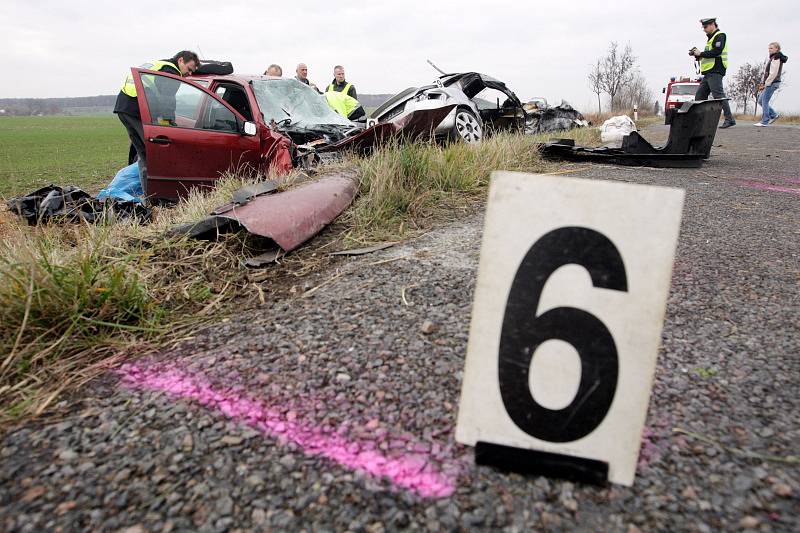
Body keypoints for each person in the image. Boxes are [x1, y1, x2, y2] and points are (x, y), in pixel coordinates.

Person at [113, 51, 199, 196]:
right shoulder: (171, 72)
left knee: (144, 154)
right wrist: (168, 124)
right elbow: (167, 101)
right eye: (189, 69)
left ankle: (149, 195)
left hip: (124, 107)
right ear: (181, 60)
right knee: (153, 155)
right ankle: (157, 195)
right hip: (136, 109)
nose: (188, 74)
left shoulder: (160, 65)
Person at [690, 17, 736, 128]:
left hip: (716, 70)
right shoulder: (711, 39)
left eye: (705, 27)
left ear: (712, 25)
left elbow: (716, 51)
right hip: (708, 72)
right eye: (703, 27)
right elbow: (709, 55)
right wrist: (697, 55)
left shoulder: (720, 35)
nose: (704, 29)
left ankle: (729, 119)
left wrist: (700, 53)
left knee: (718, 96)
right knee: (700, 96)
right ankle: (699, 120)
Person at [755, 42, 788, 127]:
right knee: (760, 100)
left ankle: (765, 121)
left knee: (764, 101)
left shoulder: (776, 58)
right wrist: (763, 82)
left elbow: (773, 73)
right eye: (769, 48)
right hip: (770, 82)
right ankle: (774, 115)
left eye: (771, 48)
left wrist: (766, 84)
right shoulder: (773, 57)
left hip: (772, 83)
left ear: (777, 49)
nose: (769, 50)